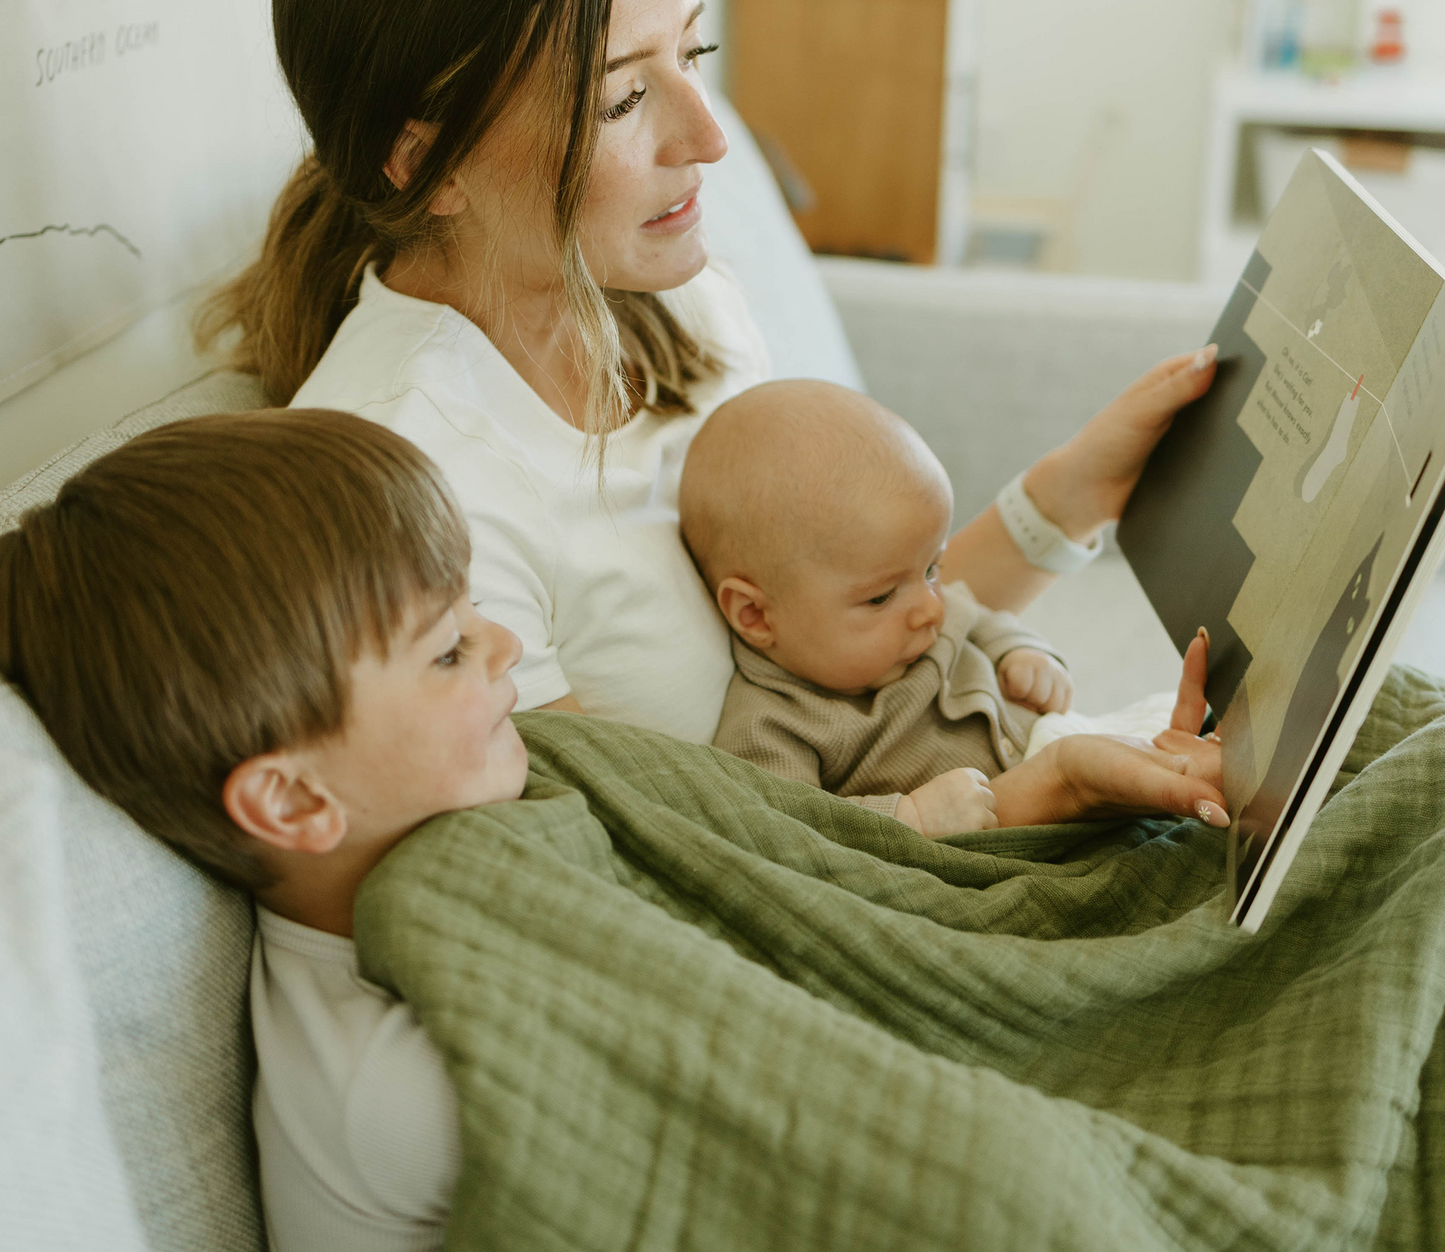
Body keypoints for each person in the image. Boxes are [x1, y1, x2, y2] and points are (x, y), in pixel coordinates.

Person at [0, 410, 1228, 1251]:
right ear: (291, 800)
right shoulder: (391, 1078)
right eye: (443, 649)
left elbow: (807, 871)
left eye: (469, 612)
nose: (499, 650)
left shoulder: (527, 789)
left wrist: (1052, 794)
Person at [198, 0, 1220, 753]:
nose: (711, 136)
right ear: (422, 162)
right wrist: (1009, 808)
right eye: (623, 97)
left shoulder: (672, 300)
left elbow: (857, 643)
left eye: (695, 50)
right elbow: (658, 865)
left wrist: (1077, 491)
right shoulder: (410, 489)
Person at [682, 380, 1224, 839]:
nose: (930, 609)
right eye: (879, 597)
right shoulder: (771, 726)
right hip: (1030, 815)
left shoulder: (916, 616)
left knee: (1229, 741)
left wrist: (1022, 652)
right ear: (755, 616)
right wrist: (909, 817)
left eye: (933, 568)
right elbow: (791, 832)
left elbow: (984, 621)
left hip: (1067, 736)